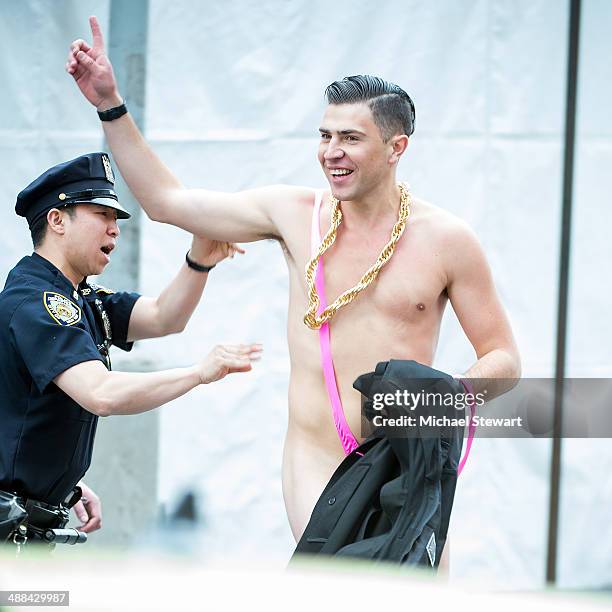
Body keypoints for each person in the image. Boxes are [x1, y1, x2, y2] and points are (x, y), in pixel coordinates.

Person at [66, 17, 520, 569]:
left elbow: (505, 360)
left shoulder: (448, 240)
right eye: (325, 136)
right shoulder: (293, 213)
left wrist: (443, 395)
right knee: (339, 596)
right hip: (318, 457)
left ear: (397, 146)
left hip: (407, 459)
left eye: (351, 138)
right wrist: (110, 104)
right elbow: (166, 201)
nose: (332, 151)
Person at [0, 151, 262, 548]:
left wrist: (199, 261)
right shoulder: (37, 302)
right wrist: (198, 373)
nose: (114, 230)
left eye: (116, 220)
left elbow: (163, 317)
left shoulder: (77, 297)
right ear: (57, 220)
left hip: (28, 525)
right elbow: (101, 394)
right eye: (101, 215)